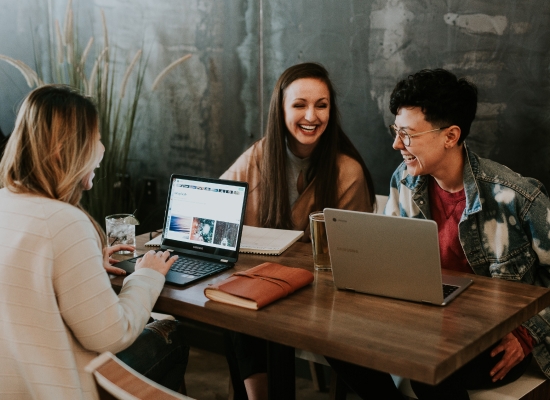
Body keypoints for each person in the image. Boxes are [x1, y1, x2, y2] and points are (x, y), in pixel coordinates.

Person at [327, 68, 550, 400]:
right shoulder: (404, 180)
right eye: (396, 131)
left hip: (492, 337)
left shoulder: (515, 196)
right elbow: (391, 263)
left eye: (408, 134)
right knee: (335, 341)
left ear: (450, 136)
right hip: (426, 324)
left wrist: (529, 334)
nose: (396, 144)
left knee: (430, 367)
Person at [0, 85, 189, 399]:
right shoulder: (64, 221)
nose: (102, 148)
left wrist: (85, 263)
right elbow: (110, 336)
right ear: (66, 149)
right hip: (56, 389)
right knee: (172, 333)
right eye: (96, 138)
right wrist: (147, 275)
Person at [221, 62, 376, 400]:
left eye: (321, 105)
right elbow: (219, 203)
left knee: (242, 308)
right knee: (233, 304)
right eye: (299, 104)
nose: (312, 115)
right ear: (281, 109)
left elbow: (353, 258)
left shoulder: (346, 171)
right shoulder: (261, 155)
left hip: (320, 299)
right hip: (262, 288)